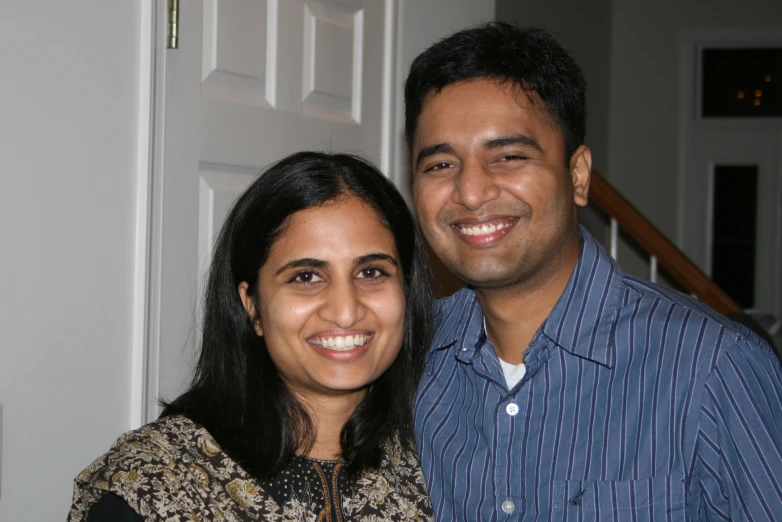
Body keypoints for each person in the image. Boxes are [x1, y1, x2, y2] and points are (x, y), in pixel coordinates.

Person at [405, 22, 782, 520]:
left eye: (509, 156)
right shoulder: (407, 360)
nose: (471, 192)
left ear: (578, 175)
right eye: (439, 165)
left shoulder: (714, 367)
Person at [68, 152, 435, 521]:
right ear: (252, 305)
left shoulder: (446, 460)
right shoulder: (157, 482)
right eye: (306, 276)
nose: (345, 310)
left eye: (371, 272)